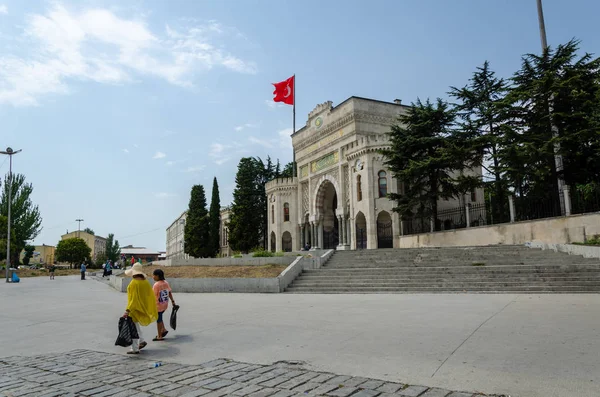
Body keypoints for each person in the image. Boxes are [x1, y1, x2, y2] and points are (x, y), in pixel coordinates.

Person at [122, 263, 158, 354]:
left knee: (132, 328)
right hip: (141, 307)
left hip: (133, 308)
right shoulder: (145, 282)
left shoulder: (134, 283)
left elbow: (133, 299)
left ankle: (135, 348)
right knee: (136, 326)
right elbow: (149, 295)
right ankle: (141, 341)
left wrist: (127, 310)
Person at [152, 269, 176, 341]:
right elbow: (169, 292)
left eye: (154, 275)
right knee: (160, 317)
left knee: (158, 320)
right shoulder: (165, 283)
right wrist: (172, 301)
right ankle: (163, 329)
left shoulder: (156, 285)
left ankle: (159, 336)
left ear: (158, 276)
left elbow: (153, 296)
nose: (153, 277)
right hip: (164, 304)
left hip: (158, 305)